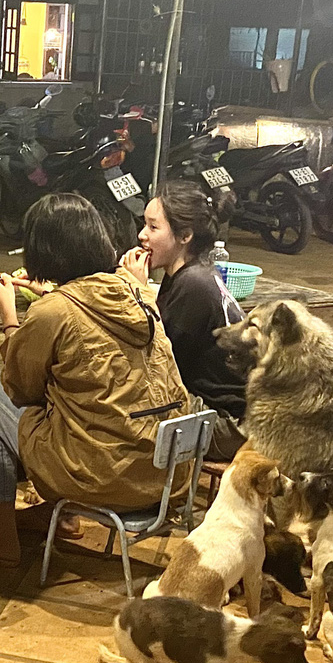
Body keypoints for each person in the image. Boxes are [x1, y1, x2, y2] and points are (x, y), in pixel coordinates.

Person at [0, 192, 191, 567]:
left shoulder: (54, 312)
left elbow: (19, 387)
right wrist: (53, 294)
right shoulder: (136, 292)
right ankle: (58, 516)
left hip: (101, 477)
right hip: (166, 474)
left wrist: (9, 313)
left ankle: (3, 538)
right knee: (79, 400)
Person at [121, 181, 247, 461]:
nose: (142, 235)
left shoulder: (193, 285)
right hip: (230, 417)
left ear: (185, 235)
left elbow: (156, 365)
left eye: (153, 227)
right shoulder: (194, 272)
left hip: (230, 427)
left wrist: (138, 291)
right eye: (144, 225)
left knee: (120, 404)